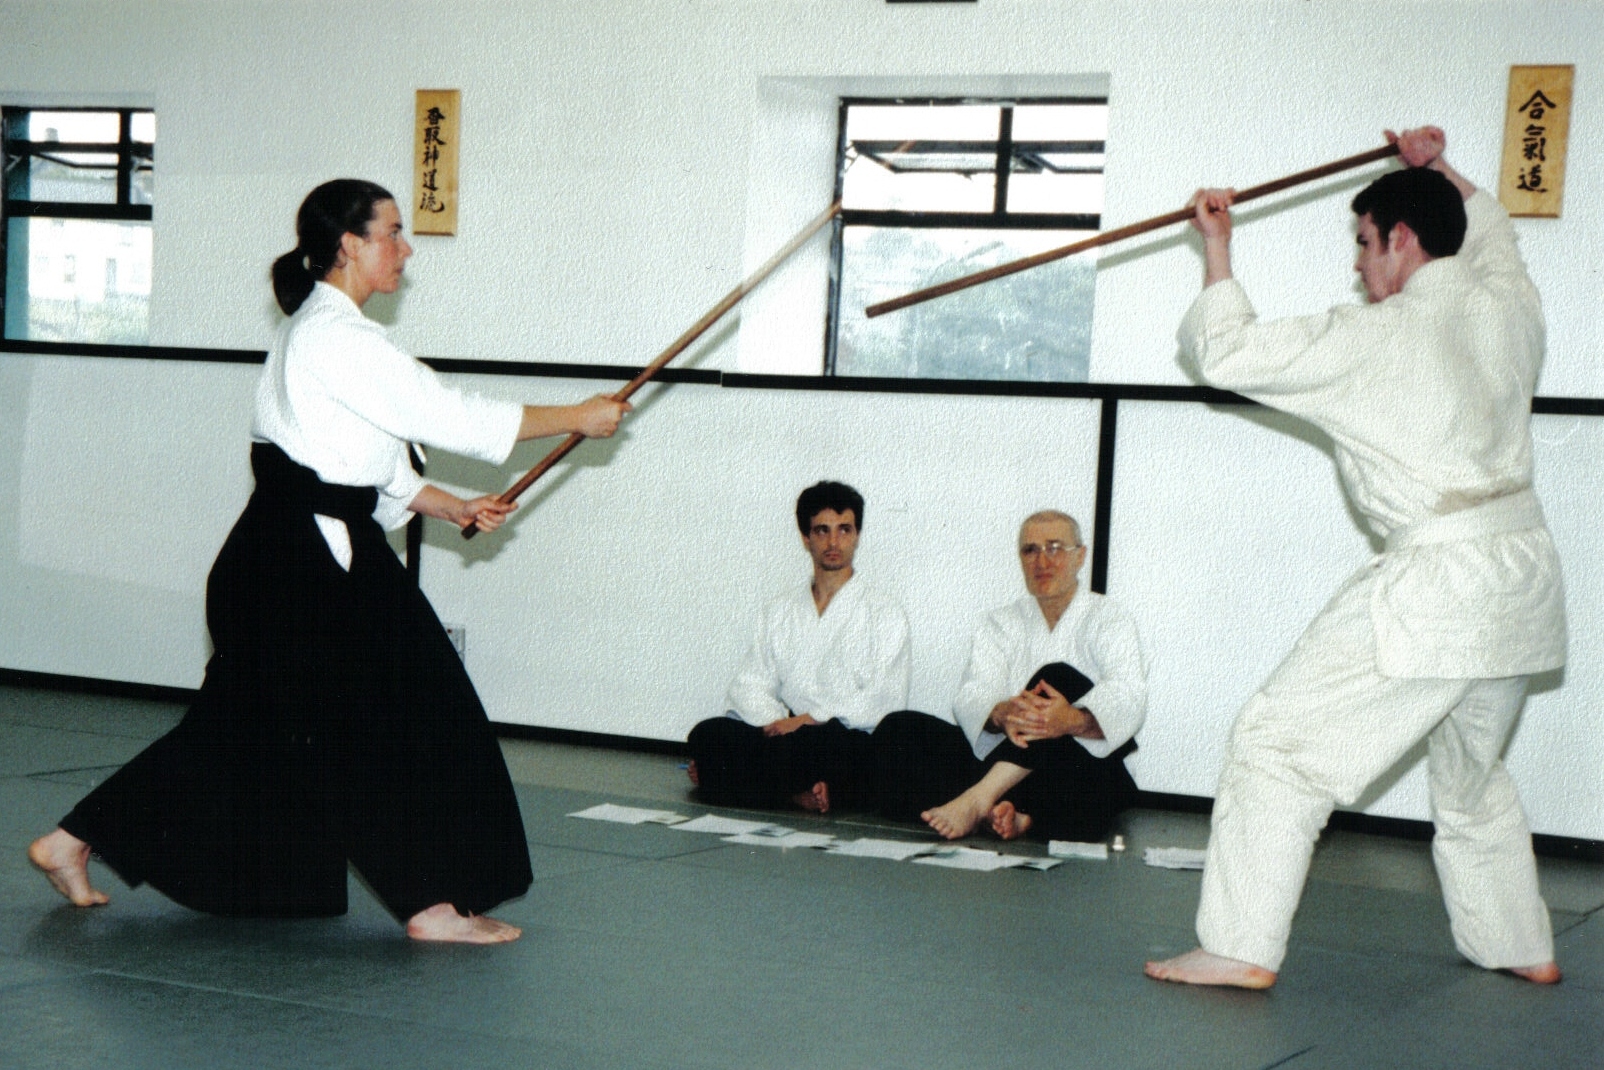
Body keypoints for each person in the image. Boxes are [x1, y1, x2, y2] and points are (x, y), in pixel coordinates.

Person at [28, 179, 631, 944]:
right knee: (391, 715)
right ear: (349, 244)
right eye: (393, 233)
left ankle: (70, 840)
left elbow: (361, 459)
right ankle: (430, 906)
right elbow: (442, 414)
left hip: (292, 556)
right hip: (299, 567)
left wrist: (445, 505)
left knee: (245, 728)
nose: (406, 249)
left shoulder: (322, 332)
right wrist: (576, 415)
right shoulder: (334, 338)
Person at [1145, 128, 1566, 990]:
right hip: (1523, 583)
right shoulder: (1508, 307)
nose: (1359, 267)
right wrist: (1434, 168)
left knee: (1276, 744)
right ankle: (1519, 943)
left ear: (1402, 240)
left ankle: (1239, 946)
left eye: (1364, 243)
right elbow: (1490, 228)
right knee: (1472, 774)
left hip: (1440, 584)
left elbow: (1226, 353)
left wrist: (1217, 246)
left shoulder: (1372, 337)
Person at [874, 510, 1146, 842]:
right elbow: (973, 694)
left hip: (1075, 766)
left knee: (1056, 677)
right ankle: (1015, 815)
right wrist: (1001, 715)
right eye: (1030, 550)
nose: (1042, 561)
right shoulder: (999, 623)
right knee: (898, 728)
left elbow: (1128, 697)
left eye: (1054, 547)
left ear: (1080, 557)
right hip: (1007, 763)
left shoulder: (1110, 619)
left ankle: (980, 800)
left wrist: (1069, 720)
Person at [687, 481, 910, 814]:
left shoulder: (885, 612)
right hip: (786, 736)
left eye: (844, 529)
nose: (833, 542)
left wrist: (809, 720)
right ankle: (798, 794)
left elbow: (885, 700)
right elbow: (751, 684)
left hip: (839, 735)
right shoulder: (779, 610)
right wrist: (776, 723)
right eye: (822, 531)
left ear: (857, 535)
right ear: (806, 538)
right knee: (707, 734)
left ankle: (739, 782)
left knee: (860, 751)